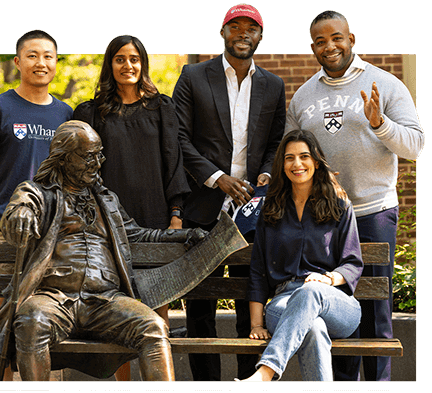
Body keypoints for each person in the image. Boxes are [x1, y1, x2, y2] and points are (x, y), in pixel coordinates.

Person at [0, 120, 207, 382]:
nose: (97, 163)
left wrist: (185, 233)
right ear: (63, 159)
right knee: (31, 321)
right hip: (53, 298)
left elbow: (138, 234)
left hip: (106, 301)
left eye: (99, 155)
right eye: (88, 157)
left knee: (153, 327)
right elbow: (19, 210)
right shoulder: (38, 193)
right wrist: (21, 214)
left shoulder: (107, 200)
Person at [287, 10, 423, 381]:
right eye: (320, 40)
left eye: (336, 37)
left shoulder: (386, 84)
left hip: (373, 211)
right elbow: (292, 154)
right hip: (325, 217)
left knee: (376, 309)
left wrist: (379, 123)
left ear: (352, 39)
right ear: (312, 46)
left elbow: (414, 146)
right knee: (337, 307)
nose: (329, 46)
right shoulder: (303, 96)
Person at [172, 3, 287, 380]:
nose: (242, 34)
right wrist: (217, 177)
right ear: (222, 32)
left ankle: (246, 378)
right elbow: (179, 138)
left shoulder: (273, 85)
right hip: (202, 206)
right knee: (200, 308)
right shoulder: (193, 76)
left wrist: (269, 174)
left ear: (260, 37)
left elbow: (274, 143)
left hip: (251, 211)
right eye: (234, 27)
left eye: (250, 29)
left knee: (248, 305)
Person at [71, 33, 190, 381]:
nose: (128, 66)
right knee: (119, 316)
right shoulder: (91, 112)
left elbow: (174, 162)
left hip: (156, 221)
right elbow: (82, 175)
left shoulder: (162, 108)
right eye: (120, 59)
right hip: (107, 228)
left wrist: (176, 215)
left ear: (143, 63)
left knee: (158, 310)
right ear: (110, 65)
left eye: (134, 59)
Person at [237, 130, 363, 382]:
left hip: (335, 302)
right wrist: (256, 325)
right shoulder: (271, 210)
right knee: (313, 328)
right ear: (281, 165)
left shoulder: (339, 205)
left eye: (304, 156)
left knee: (310, 291)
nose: (297, 164)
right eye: (289, 158)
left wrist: (326, 280)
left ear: (316, 162)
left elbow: (352, 262)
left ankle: (265, 371)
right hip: (284, 302)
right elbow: (259, 271)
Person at [0, 29, 73, 242]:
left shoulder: (66, 113)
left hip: (53, 229)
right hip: (4, 226)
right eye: (32, 56)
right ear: (17, 62)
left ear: (55, 62)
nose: (41, 63)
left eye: (48, 56)